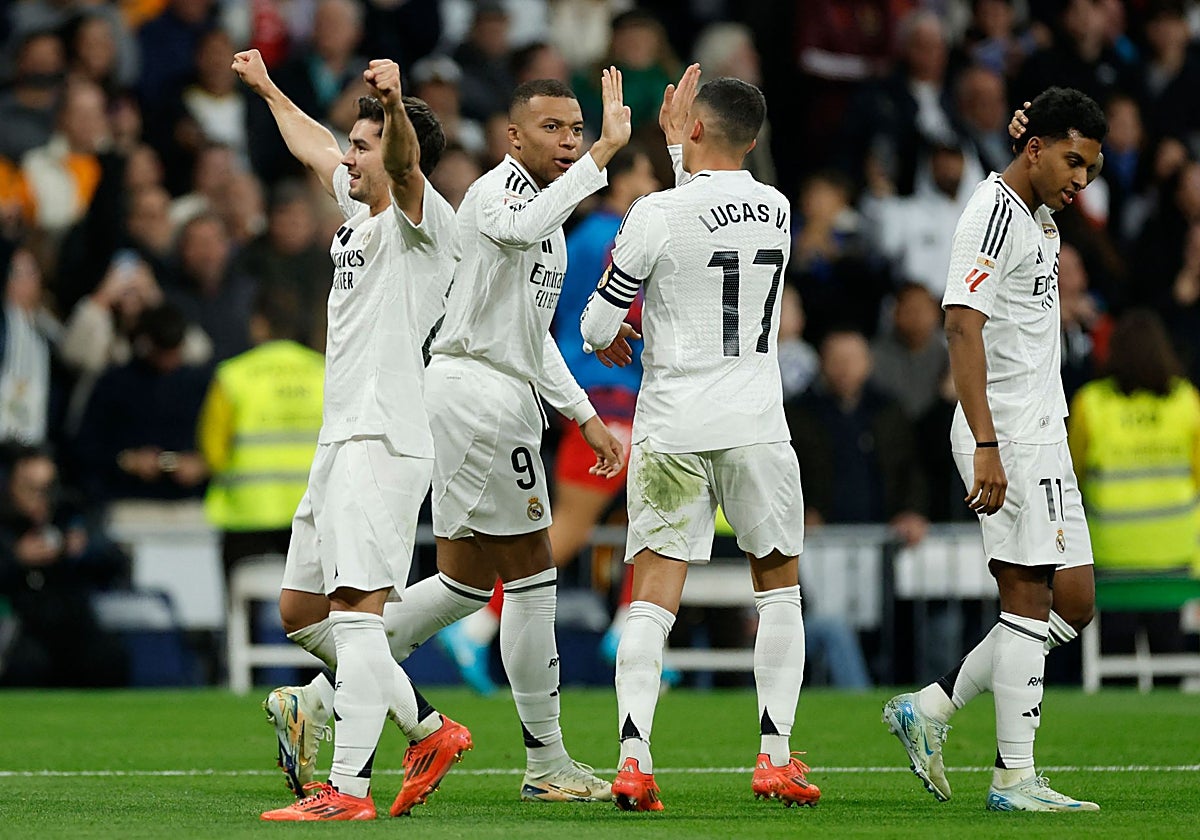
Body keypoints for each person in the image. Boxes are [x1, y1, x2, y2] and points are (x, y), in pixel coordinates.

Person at [375, 72, 632, 803]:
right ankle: (547, 764)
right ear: (513, 137)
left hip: (490, 391)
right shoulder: (498, 197)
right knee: (532, 577)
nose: (569, 141)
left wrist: (581, 413)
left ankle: (328, 686)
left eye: (578, 129)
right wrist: (603, 158)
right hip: (481, 398)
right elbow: (520, 230)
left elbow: (532, 335)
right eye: (553, 128)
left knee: (462, 584)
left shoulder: (546, 220)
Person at [232, 49, 469, 822]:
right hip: (342, 440)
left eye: (362, 145)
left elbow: (400, 159)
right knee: (304, 609)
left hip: (384, 438)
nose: (349, 154)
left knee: (359, 615)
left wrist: (397, 104)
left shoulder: (421, 221)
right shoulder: (358, 211)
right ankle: (427, 729)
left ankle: (349, 790)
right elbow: (311, 146)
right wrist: (269, 88)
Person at [581, 66, 820, 811]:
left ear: (690, 128)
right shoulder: (778, 208)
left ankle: (632, 760)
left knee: (651, 601)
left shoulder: (653, 211)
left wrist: (613, 333)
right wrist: (681, 147)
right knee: (779, 593)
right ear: (752, 140)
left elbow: (595, 325)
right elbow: (713, 206)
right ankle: (776, 756)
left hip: (673, 423)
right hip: (754, 422)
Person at [882, 86, 1108, 813]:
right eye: (1072, 162)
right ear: (1038, 150)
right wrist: (986, 442)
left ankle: (934, 708)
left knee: (1073, 601)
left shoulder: (1036, 211)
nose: (1081, 181)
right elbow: (959, 326)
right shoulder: (992, 214)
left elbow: (1030, 157)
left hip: (1042, 431)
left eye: (1092, 171)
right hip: (1005, 431)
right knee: (1027, 599)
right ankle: (1014, 777)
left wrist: (1030, 134)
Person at [436, 144, 660, 695]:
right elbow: (624, 312)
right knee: (570, 528)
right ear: (622, 181)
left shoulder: (573, 237)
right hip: (605, 392)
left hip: (584, 392)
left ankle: (630, 624)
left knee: (654, 509)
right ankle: (482, 624)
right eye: (646, 173)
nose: (653, 183)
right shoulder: (611, 236)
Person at [1069, 309, 1200, 649]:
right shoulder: (1186, 402)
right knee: (1169, 651)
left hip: (1111, 557)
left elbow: (1073, 474)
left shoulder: (1090, 404)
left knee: (1116, 655)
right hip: (1176, 556)